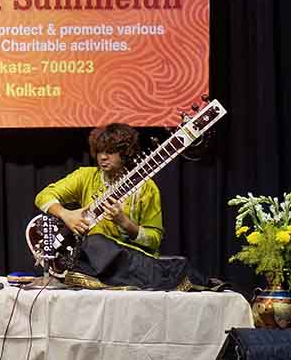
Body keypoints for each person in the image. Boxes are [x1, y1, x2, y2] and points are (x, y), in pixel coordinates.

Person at [34, 123, 201, 290]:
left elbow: (154, 240)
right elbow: (43, 197)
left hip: (129, 259)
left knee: (97, 243)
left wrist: (125, 224)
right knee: (93, 244)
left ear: (126, 153)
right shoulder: (85, 177)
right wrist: (66, 214)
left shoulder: (146, 188)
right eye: (99, 151)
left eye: (110, 152)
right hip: (94, 257)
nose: (102, 157)